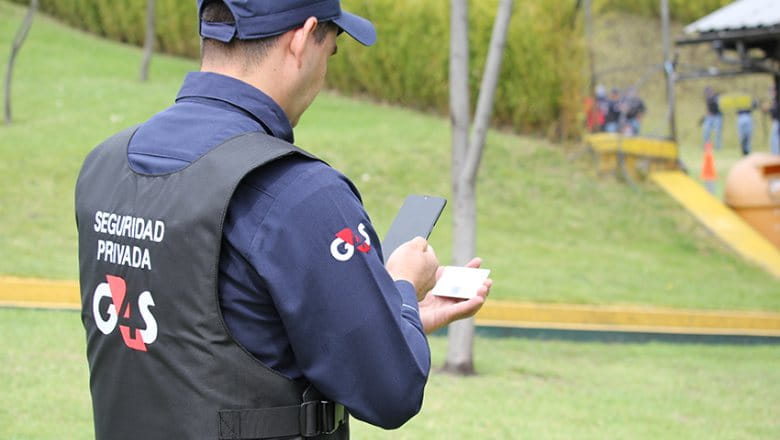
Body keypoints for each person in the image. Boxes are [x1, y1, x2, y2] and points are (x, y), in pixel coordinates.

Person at [74, 1, 492, 439]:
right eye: (331, 51)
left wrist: (385, 320)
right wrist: (403, 286)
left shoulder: (105, 166)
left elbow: (204, 336)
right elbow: (392, 391)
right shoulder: (299, 193)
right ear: (302, 38)